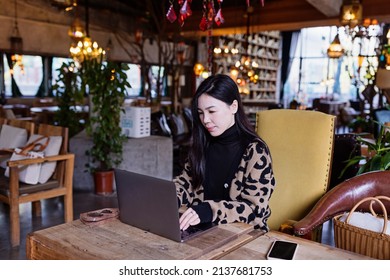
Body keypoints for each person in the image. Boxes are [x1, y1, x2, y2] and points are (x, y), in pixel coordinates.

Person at [175, 74, 275, 233]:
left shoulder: (255, 151)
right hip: (202, 231)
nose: (205, 120)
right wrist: (169, 196)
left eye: (212, 111)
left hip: (244, 236)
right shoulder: (203, 143)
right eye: (200, 113)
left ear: (233, 107)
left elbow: (254, 210)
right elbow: (185, 184)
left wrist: (210, 210)